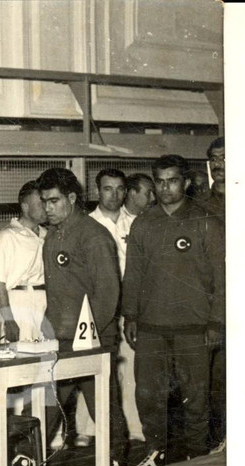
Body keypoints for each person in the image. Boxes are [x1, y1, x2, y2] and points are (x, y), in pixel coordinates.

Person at [122, 155, 225, 466]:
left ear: (187, 182)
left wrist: (216, 321)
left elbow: (222, 277)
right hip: (152, 326)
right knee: (149, 396)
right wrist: (131, 315)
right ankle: (156, 453)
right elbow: (134, 273)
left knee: (196, 398)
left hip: (194, 326)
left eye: (173, 180)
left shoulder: (205, 221)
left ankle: (197, 457)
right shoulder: (144, 222)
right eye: (160, 181)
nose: (166, 188)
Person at [37, 167, 129, 466]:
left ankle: (116, 461)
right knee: (48, 402)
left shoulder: (93, 236)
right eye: (44, 201)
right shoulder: (54, 234)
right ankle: (28, 459)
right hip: (61, 338)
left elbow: (107, 294)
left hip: (91, 340)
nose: (47, 208)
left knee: (102, 404)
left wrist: (88, 342)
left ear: (72, 198)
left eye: (53, 201)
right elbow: (57, 291)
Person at [87, 168, 144, 443]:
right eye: (108, 188)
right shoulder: (87, 225)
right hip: (98, 308)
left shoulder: (135, 223)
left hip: (129, 305)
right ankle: (87, 429)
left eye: (120, 189)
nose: (114, 195)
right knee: (94, 369)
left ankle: (133, 427)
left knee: (129, 368)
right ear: (98, 191)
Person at [0, 180, 47, 343]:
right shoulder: (7, 236)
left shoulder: (47, 234)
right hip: (20, 304)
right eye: (40, 204)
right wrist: (9, 320)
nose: (46, 208)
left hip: (44, 303)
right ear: (25, 207)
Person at [204, 137, 225, 451]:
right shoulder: (200, 206)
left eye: (226, 157)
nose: (219, 165)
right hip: (214, 305)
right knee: (216, 377)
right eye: (214, 159)